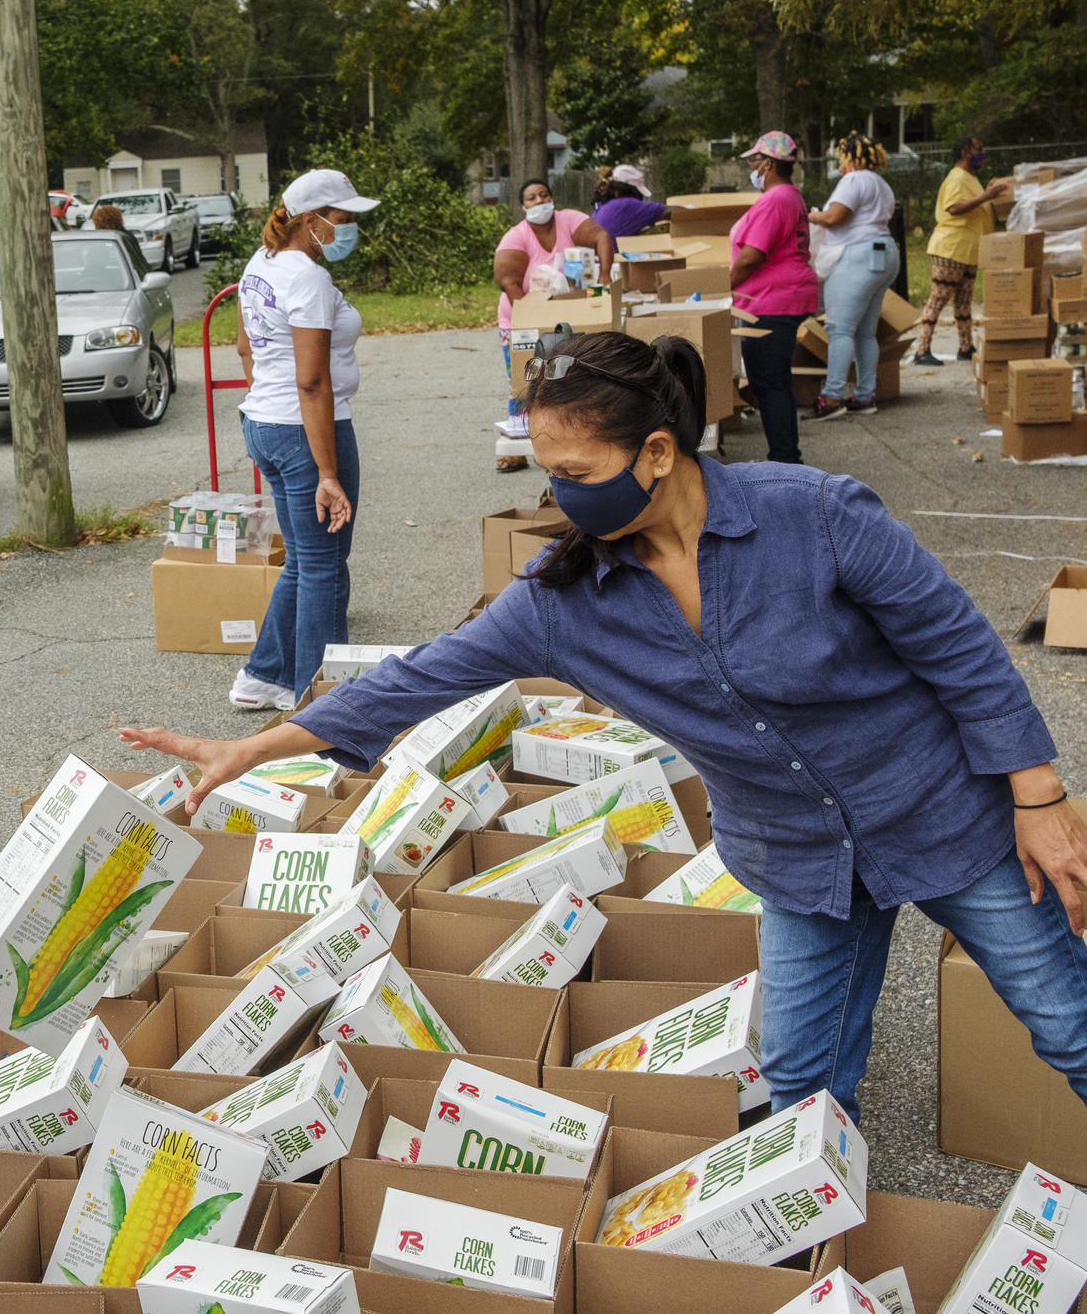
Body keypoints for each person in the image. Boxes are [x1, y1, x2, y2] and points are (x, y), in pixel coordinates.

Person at [124, 327, 1087, 1126]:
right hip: (798, 857)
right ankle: (806, 1260)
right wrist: (253, 747)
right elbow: (417, 679)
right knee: (802, 1088)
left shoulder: (818, 516)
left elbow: (957, 645)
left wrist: (1036, 795)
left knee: (1068, 1023)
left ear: (658, 453)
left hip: (935, 809)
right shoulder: (562, 600)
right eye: (548, 472)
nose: (562, 495)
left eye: (578, 471)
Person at [226, 168, 379, 711]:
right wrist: (328, 473)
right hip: (308, 431)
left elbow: (245, 347)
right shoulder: (308, 279)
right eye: (342, 219)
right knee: (323, 565)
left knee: (303, 560)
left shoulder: (260, 263)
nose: (349, 229)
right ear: (312, 221)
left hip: (266, 424)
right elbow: (311, 380)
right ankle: (319, 701)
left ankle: (263, 675)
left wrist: (270, 400)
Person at [493, 179, 616, 472]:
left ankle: (572, 442)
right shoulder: (516, 236)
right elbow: (508, 280)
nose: (539, 202)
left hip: (569, 315)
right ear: (523, 206)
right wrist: (528, 315)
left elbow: (601, 238)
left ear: (552, 198)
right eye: (531, 198)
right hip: (520, 315)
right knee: (524, 380)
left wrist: (605, 276)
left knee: (573, 380)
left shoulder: (569, 221)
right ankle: (518, 446)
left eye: (543, 195)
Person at [729, 131, 819, 463]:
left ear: (767, 164)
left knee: (768, 381)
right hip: (779, 298)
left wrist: (725, 286)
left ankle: (784, 458)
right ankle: (784, 455)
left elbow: (753, 255)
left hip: (770, 301)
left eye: (753, 161)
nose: (750, 168)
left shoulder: (775, 199)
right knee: (774, 380)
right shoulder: (789, 196)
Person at [805, 131, 899, 419]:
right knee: (864, 332)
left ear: (850, 157)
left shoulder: (854, 179)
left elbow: (835, 217)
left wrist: (808, 215)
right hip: (885, 253)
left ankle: (832, 397)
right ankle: (865, 395)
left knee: (840, 328)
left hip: (857, 255)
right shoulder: (882, 184)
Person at [914, 136, 1013, 365]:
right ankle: (922, 349)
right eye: (979, 149)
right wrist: (986, 196)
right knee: (938, 298)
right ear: (965, 152)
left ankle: (965, 347)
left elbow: (976, 205)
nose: (983, 153)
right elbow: (954, 207)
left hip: (968, 250)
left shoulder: (970, 178)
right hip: (951, 248)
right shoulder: (957, 178)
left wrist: (987, 195)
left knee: (963, 301)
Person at [590, 164, 669, 241]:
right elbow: (667, 211)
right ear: (630, 189)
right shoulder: (627, 204)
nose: (640, 197)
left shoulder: (602, 207)